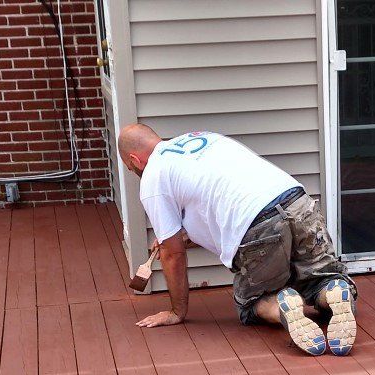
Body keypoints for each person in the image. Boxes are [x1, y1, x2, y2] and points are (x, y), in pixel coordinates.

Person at [117, 123, 357, 356]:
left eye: (131, 168)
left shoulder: (153, 177)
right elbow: (215, 204)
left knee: (251, 302)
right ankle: (335, 292)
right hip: (297, 200)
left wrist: (176, 312)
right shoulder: (202, 138)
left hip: (257, 224)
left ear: (135, 160)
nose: (135, 172)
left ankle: (284, 305)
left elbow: (173, 255)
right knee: (321, 277)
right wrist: (178, 238)